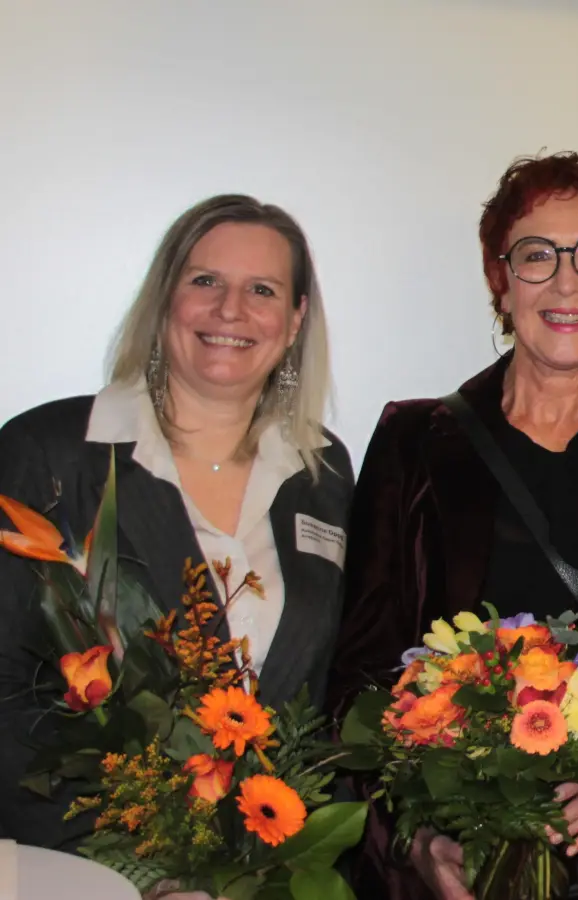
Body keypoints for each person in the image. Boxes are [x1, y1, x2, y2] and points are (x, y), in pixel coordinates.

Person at [328, 151, 578, 900]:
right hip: (443, 865)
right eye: (536, 255)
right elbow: (356, 680)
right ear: (500, 279)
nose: (566, 282)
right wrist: (416, 837)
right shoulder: (414, 442)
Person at [0, 195, 351, 862]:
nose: (230, 310)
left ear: (295, 318)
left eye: (263, 290)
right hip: (81, 868)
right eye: (205, 281)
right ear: (166, 299)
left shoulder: (323, 473)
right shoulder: (50, 454)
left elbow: (321, 690)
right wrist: (140, 863)